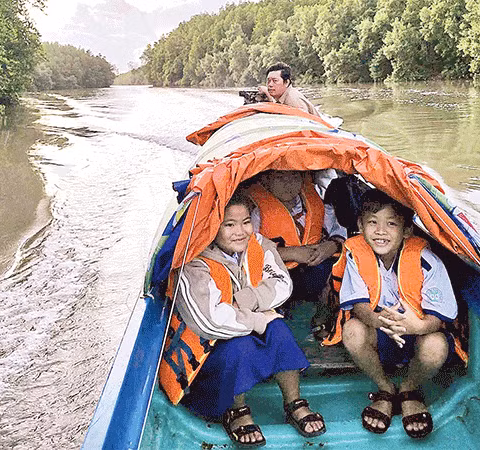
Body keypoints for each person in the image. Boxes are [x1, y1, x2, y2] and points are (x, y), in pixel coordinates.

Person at [159, 193, 326, 448]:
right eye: (229, 224)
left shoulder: (257, 244)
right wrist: (258, 320)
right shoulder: (193, 263)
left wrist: (245, 300)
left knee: (279, 329)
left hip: (242, 319)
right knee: (243, 344)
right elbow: (209, 321)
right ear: (211, 227)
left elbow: (282, 284)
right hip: (206, 350)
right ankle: (236, 410)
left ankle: (294, 402)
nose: (240, 231)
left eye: (246, 222)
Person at [323, 189, 461, 439]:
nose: (380, 231)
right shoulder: (355, 255)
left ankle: (409, 389)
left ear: (407, 230)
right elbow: (360, 308)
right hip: (381, 333)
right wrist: (382, 322)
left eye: (391, 224)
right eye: (372, 223)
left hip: (418, 335)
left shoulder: (426, 260)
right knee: (352, 331)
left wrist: (415, 327)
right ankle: (385, 388)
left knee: (436, 345)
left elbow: (437, 319)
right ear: (360, 226)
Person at [242, 170, 347, 337]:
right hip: (276, 272)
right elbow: (246, 250)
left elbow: (339, 230)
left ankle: (326, 317)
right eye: (280, 177)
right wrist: (291, 253)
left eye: (294, 177)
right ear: (266, 180)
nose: (288, 183)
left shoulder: (316, 204)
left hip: (313, 266)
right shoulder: (256, 212)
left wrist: (331, 246)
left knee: (335, 270)